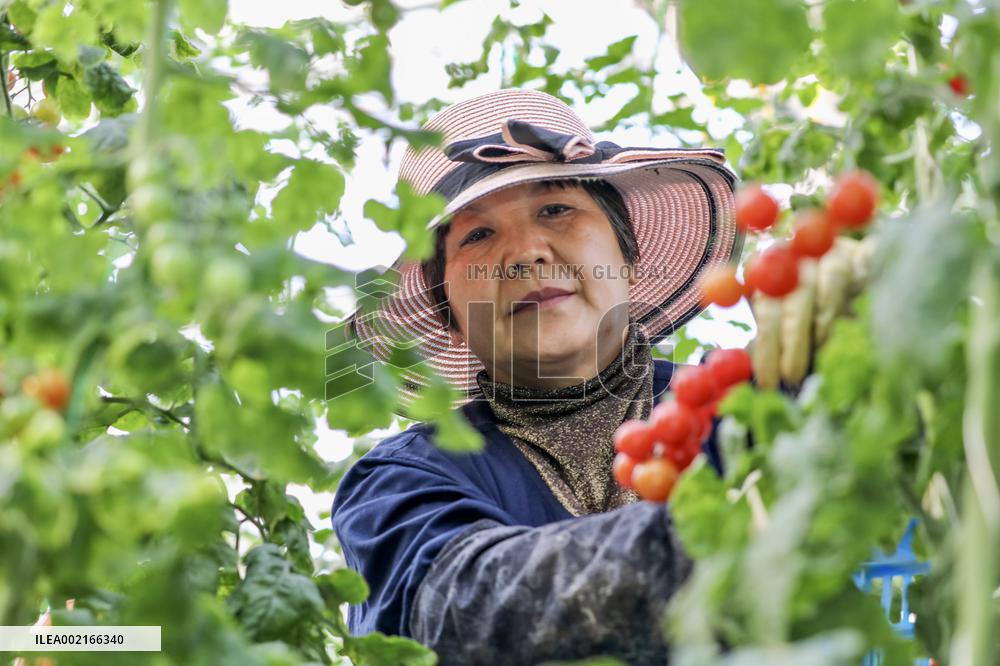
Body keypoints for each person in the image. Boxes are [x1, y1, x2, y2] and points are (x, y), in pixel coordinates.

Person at [330, 89, 744, 665]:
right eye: (477, 234)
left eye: (556, 208)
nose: (526, 252)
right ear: (447, 311)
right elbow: (455, 611)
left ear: (627, 253)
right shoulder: (400, 481)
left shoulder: (745, 406)